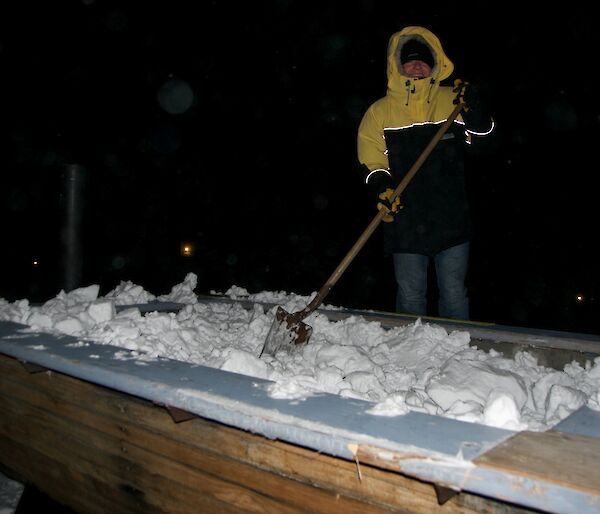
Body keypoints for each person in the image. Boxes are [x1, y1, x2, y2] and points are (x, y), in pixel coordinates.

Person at [357, 26, 494, 320]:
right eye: (410, 59)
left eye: (423, 60)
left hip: (451, 215)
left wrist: (477, 111)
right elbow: (371, 159)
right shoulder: (380, 112)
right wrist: (382, 186)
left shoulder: (453, 102)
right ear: (398, 65)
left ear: (435, 64)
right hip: (406, 218)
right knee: (410, 293)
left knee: (454, 292)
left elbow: (481, 144)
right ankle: (410, 353)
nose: (417, 65)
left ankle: (456, 351)